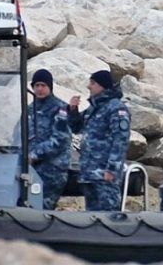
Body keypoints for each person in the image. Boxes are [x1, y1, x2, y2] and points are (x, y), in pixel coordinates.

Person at [68, 69, 131, 212]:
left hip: (104, 174)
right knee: (91, 216)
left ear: (102, 85)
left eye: (92, 83)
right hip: (89, 173)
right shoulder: (94, 108)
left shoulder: (116, 108)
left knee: (108, 215)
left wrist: (112, 169)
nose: (89, 86)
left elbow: (120, 140)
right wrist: (73, 110)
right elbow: (76, 127)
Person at [27, 69, 72, 210]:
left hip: (51, 170)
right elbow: (18, 134)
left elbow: (60, 140)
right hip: (30, 170)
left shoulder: (60, 109)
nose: (40, 89)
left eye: (43, 85)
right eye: (37, 85)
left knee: (41, 209)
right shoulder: (30, 109)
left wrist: (34, 154)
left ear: (50, 87)